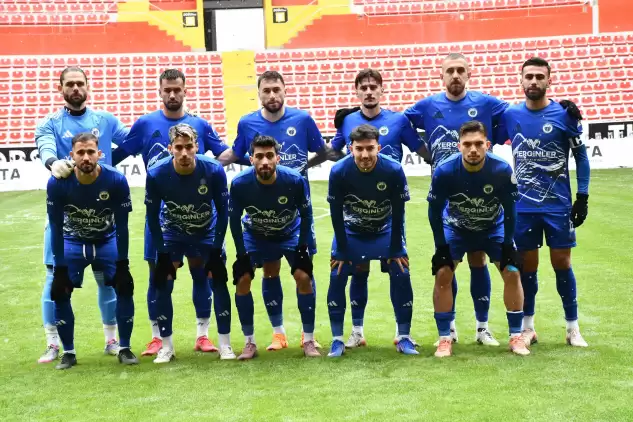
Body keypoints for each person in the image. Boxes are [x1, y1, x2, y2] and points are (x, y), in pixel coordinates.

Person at [111, 68, 242, 357]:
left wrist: (253, 157)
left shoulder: (200, 125)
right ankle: (158, 338)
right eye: (167, 89)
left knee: (202, 274)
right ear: (160, 91)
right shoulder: (145, 123)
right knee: (158, 276)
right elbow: (118, 154)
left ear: (185, 91)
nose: (172, 94)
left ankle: (203, 335)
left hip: (200, 218)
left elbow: (224, 153)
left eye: (177, 89)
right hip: (161, 220)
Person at [307, 68, 427, 349]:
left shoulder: (398, 121)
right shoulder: (348, 123)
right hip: (355, 218)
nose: (370, 91)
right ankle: (355, 332)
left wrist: (445, 164)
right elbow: (334, 150)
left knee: (400, 269)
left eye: (374, 86)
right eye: (364, 87)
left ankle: (403, 335)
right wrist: (307, 164)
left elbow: (420, 148)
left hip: (387, 213)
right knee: (356, 271)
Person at [217, 70, 327, 350]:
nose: (272, 95)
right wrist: (207, 166)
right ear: (259, 94)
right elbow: (236, 153)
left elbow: (323, 151)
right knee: (270, 269)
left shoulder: (303, 119)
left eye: (276, 89)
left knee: (304, 272)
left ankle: (308, 336)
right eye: (266, 90)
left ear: (285, 91)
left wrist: (303, 169)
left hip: (294, 212)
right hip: (261, 216)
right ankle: (278, 334)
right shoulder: (247, 123)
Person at [405, 53, 509, 347]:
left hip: (482, 196)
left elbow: (516, 115)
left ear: (469, 74)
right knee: (447, 263)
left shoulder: (486, 103)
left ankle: (482, 328)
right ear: (441, 75)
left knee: (479, 259)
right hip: (447, 197)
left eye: (460, 70)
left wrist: (559, 108)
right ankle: (448, 329)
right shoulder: (427, 105)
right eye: (449, 70)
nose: (455, 75)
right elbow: (398, 122)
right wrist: (421, 149)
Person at [36, 66, 130, 363]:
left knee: (107, 279)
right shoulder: (49, 123)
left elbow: (131, 141)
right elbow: (45, 148)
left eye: (80, 83)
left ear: (88, 87)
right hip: (66, 216)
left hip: (102, 216)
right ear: (60, 88)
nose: (76, 88)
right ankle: (53, 342)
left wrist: (111, 161)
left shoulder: (105, 119)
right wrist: (54, 163)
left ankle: (112, 339)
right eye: (70, 84)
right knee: (54, 277)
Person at [496, 57, 590, 348]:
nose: (534, 81)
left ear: (550, 80)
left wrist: (582, 196)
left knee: (562, 262)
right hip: (523, 206)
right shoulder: (511, 115)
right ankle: (528, 328)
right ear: (521, 80)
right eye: (529, 76)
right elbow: (486, 136)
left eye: (539, 76)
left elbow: (581, 156)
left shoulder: (564, 114)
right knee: (528, 267)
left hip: (557, 205)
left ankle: (572, 328)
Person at [427, 121, 530, 357]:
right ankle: (445, 338)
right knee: (443, 272)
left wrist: (508, 244)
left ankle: (516, 336)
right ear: (459, 146)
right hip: (456, 228)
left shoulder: (502, 170)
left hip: (493, 227)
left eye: (478, 144)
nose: (473, 149)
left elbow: (510, 210)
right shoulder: (444, 171)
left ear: (487, 145)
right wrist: (441, 246)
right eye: (467, 144)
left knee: (512, 270)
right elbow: (434, 212)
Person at [46, 133, 137, 369]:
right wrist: (59, 266)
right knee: (60, 290)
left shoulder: (115, 180)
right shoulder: (58, 183)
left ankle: (125, 348)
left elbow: (123, 226)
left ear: (100, 154)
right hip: (72, 242)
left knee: (124, 287)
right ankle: (68, 352)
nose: (86, 157)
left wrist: (123, 263)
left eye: (90, 152)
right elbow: (55, 226)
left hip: (106, 241)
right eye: (80, 152)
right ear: (72, 155)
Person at [144, 124, 233, 363]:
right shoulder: (156, 173)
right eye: (179, 147)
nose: (184, 153)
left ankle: (224, 344)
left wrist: (216, 248)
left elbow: (223, 212)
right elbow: (151, 216)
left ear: (197, 147)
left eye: (189, 147)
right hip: (172, 233)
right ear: (170, 148)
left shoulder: (213, 170)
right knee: (163, 283)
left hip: (206, 232)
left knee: (218, 281)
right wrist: (162, 253)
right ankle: (166, 347)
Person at [326, 124, 417, 357]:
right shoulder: (339, 171)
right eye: (359, 149)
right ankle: (342, 338)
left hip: (384, 229)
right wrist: (342, 249)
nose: (365, 154)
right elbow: (336, 214)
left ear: (379, 147)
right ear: (350, 149)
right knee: (338, 273)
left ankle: (404, 337)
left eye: (370, 148)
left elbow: (399, 212)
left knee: (401, 271)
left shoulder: (393, 170)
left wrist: (396, 247)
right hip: (352, 231)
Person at [228, 135, 319, 359]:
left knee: (304, 276)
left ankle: (308, 339)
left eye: (270, 156)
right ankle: (253, 341)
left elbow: (307, 215)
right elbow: (234, 220)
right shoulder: (240, 184)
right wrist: (241, 253)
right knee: (243, 278)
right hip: (256, 235)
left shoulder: (294, 180)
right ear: (251, 159)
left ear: (278, 158)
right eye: (259, 156)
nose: (265, 161)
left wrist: (302, 248)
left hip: (290, 232)